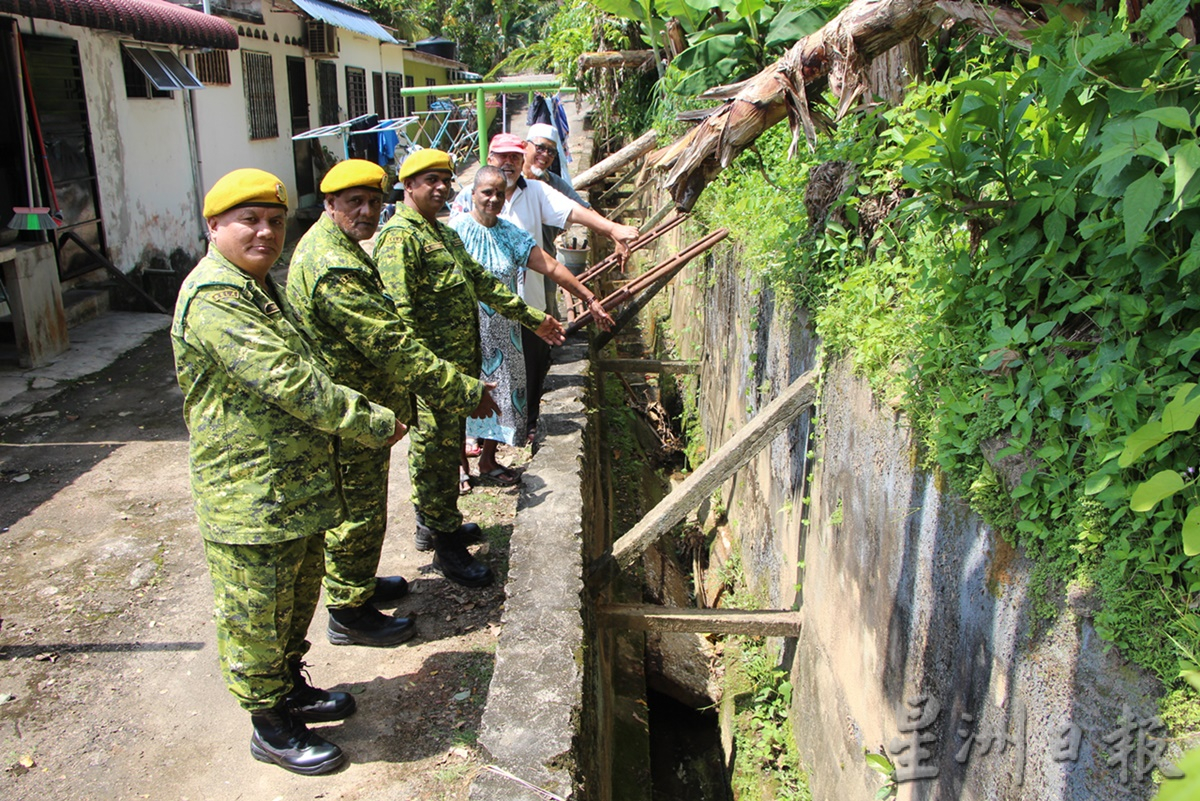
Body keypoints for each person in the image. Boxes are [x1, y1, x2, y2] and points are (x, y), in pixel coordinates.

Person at [171, 168, 405, 775]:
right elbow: (290, 381)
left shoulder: (257, 286)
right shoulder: (215, 297)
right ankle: (268, 724)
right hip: (250, 495)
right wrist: (372, 420)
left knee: (295, 599)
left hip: (293, 486)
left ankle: (288, 689)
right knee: (256, 611)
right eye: (249, 220)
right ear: (214, 226)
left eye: (275, 221)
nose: (266, 232)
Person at [285, 159, 500, 613]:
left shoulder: (343, 247)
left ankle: (357, 584)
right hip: (352, 408)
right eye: (353, 202)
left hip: (369, 402)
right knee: (356, 510)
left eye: (372, 201)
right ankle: (349, 610)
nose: (366, 211)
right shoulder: (333, 265)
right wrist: (463, 389)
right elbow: (393, 341)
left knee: (365, 505)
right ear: (329, 204)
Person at [373, 150, 566, 576]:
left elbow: (480, 283)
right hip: (433, 374)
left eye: (445, 179)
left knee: (443, 452)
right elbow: (400, 321)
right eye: (429, 181)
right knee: (434, 455)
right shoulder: (400, 238)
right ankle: (444, 546)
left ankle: (442, 526)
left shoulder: (439, 233)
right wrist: (442, 380)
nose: (440, 187)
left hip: (454, 369)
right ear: (408, 187)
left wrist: (534, 319)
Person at [451, 132, 641, 443]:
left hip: (524, 312)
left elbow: (565, 232)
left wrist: (611, 233)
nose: (493, 199)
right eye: (503, 157)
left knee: (517, 379)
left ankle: (502, 444)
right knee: (471, 381)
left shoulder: (527, 207)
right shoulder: (459, 221)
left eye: (515, 156)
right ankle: (468, 448)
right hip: (471, 320)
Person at [449, 166, 615, 482]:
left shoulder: (511, 234)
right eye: (487, 192)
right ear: (473, 194)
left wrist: (590, 298)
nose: (494, 199)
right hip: (465, 332)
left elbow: (552, 266)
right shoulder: (454, 233)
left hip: (506, 333)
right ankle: (460, 466)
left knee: (502, 394)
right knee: (463, 394)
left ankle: (487, 459)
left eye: (500, 193)